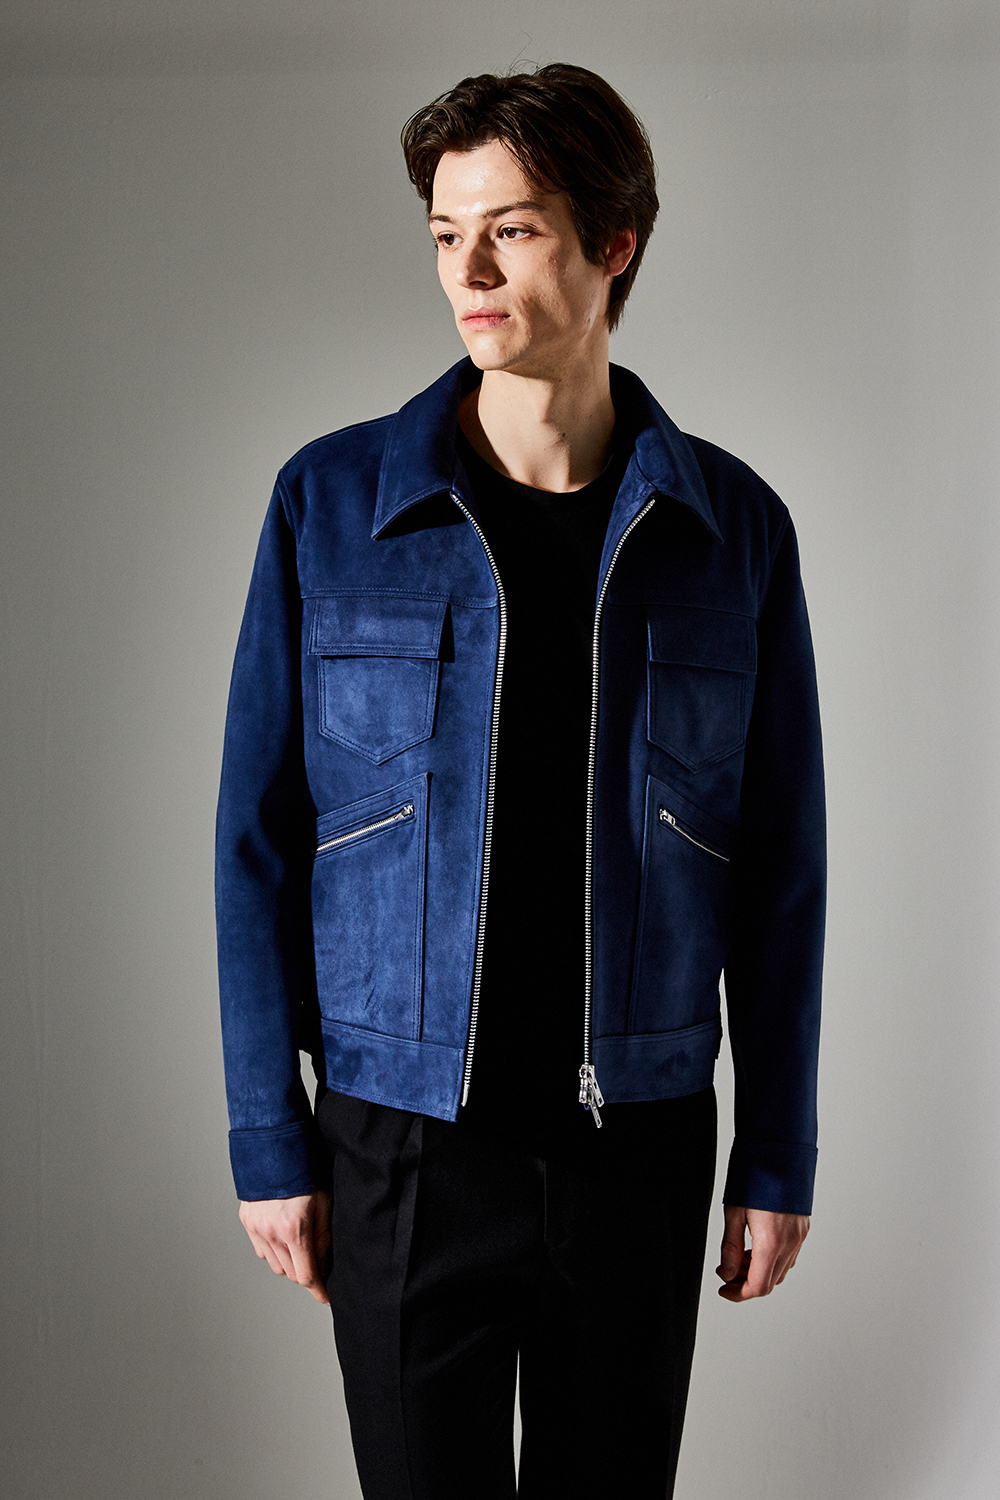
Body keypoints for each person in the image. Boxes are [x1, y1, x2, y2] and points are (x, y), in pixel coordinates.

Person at [216, 63, 825, 1500]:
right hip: (402, 1142)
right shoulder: (332, 506)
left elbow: (781, 865)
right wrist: (266, 1135)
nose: (468, 272)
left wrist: (777, 1151)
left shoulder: (732, 531)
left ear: (615, 243)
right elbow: (258, 838)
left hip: (639, 1144)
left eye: (513, 230)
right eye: (446, 233)